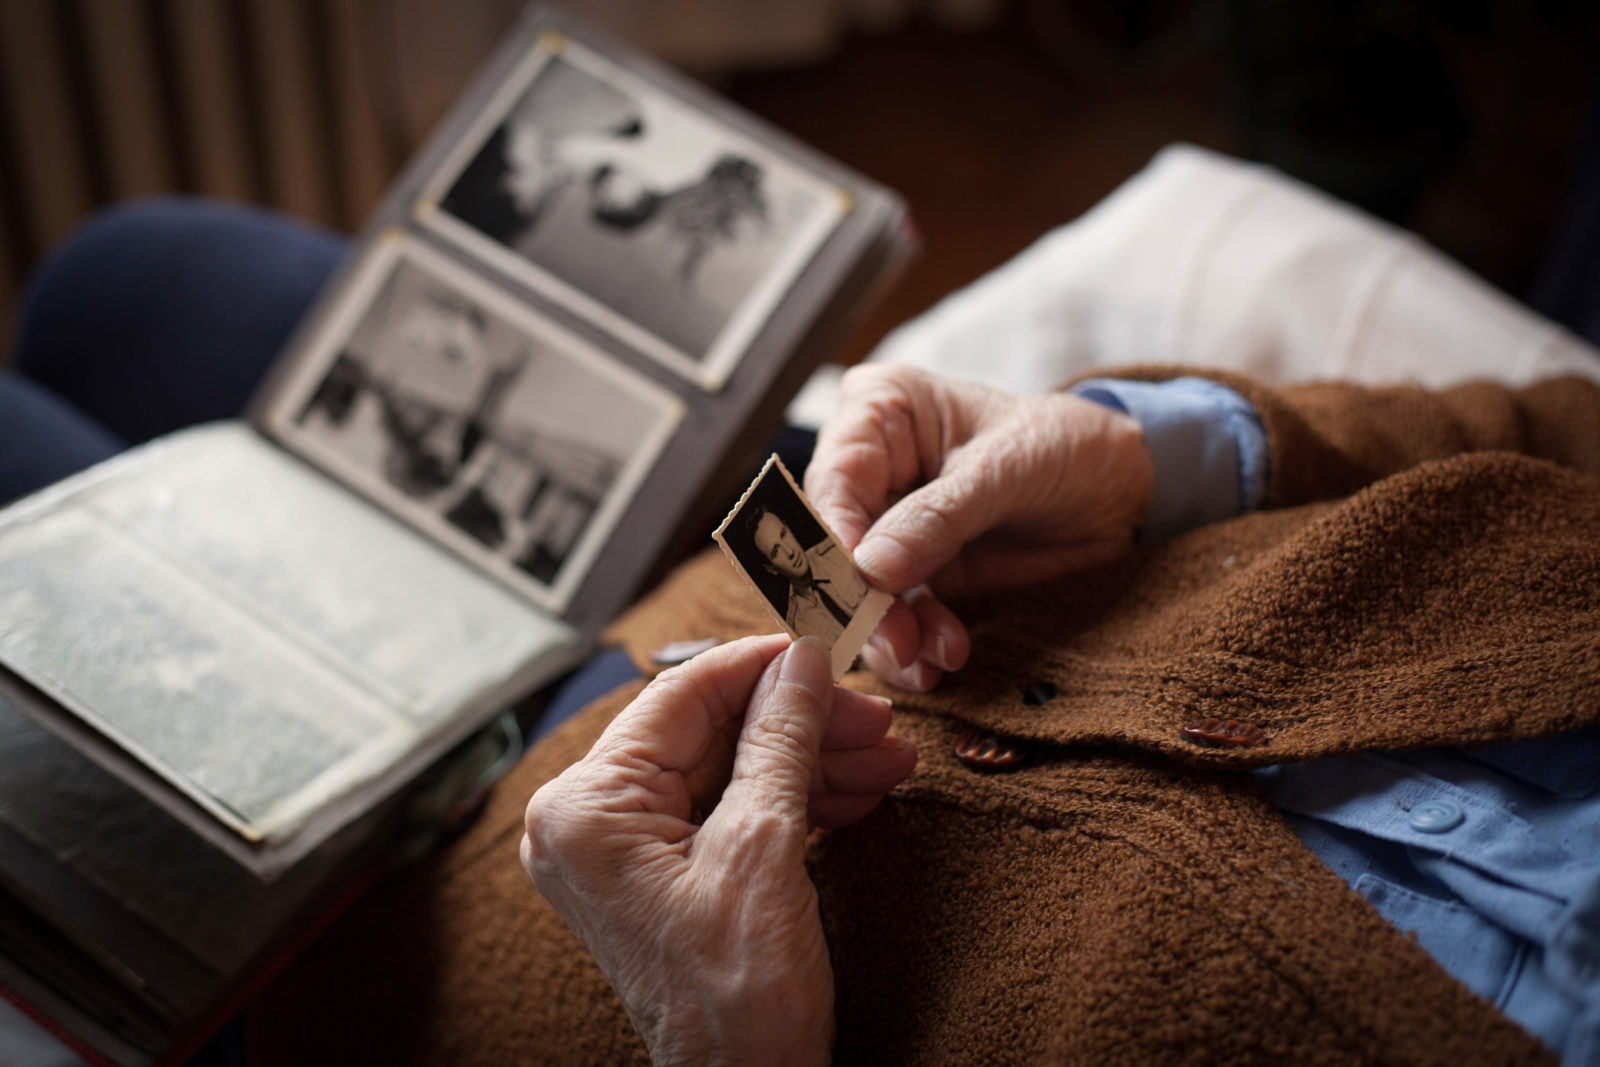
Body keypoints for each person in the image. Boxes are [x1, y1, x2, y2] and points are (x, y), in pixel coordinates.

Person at [746, 506, 869, 643]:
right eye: (776, 551)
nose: (789, 552)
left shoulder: (839, 550)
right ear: (771, 569)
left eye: (783, 534)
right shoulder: (798, 626)